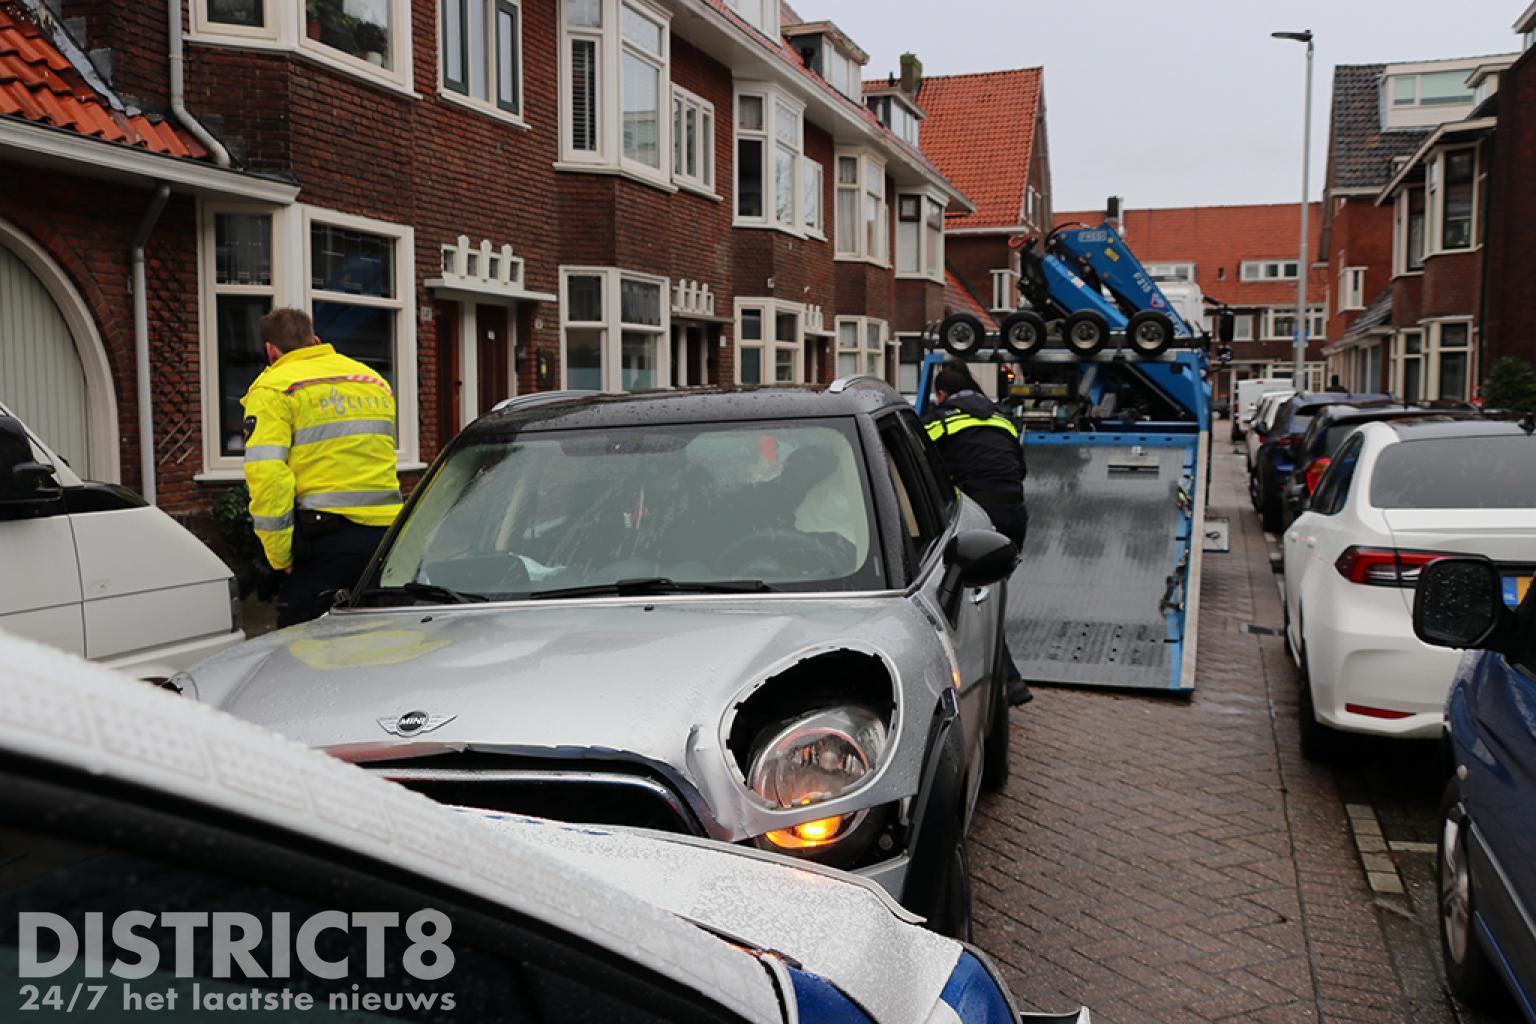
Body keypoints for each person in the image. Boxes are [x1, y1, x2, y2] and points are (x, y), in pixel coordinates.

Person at [242, 308, 403, 627]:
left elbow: (269, 478)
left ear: (270, 350)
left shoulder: (274, 388)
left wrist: (278, 557)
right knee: (379, 641)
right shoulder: (371, 380)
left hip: (325, 541)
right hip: (389, 537)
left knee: (301, 651)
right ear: (315, 341)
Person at [922, 360, 1032, 706]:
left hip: (979, 518)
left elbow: (921, 463)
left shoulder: (940, 421)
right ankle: (1006, 681)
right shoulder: (1002, 420)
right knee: (987, 597)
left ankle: (1007, 682)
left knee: (970, 602)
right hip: (1014, 515)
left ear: (942, 394)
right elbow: (1020, 467)